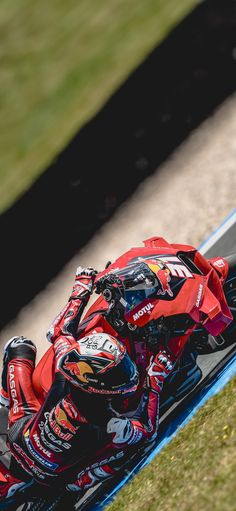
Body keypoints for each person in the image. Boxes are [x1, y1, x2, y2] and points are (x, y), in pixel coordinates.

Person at [0, 266, 176, 502]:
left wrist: (82, 287)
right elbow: (147, 431)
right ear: (94, 382)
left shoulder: (66, 366)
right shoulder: (106, 418)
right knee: (131, 447)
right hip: (52, 475)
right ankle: (80, 483)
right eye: (118, 371)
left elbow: (60, 330)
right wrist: (155, 380)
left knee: (18, 345)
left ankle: (5, 399)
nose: (127, 373)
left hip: (21, 434)